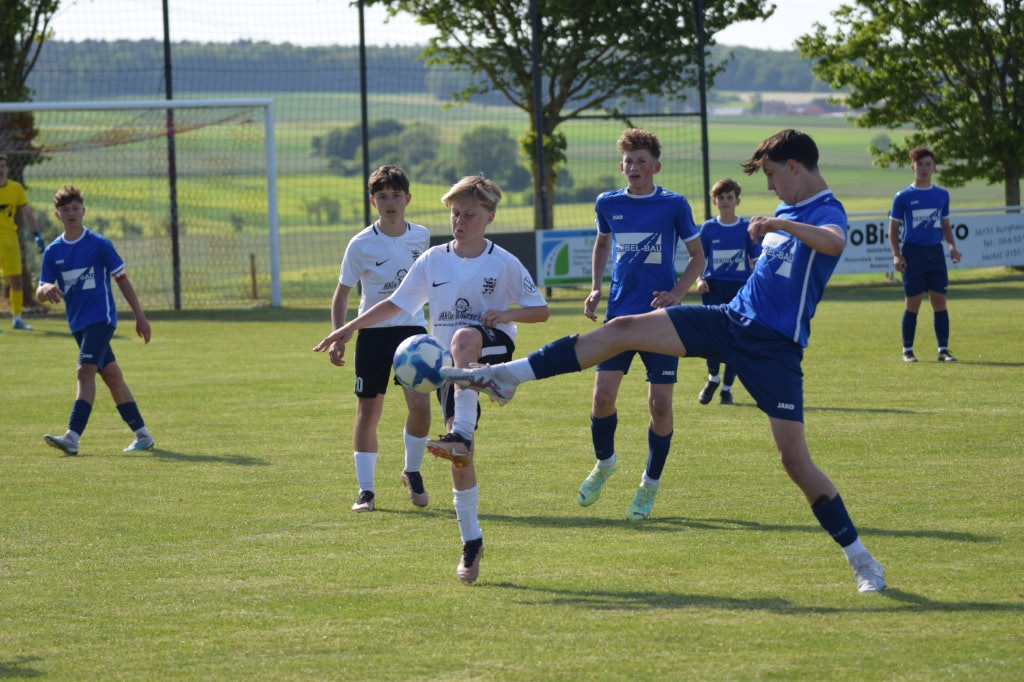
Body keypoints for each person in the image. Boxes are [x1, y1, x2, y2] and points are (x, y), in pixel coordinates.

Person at [443, 130, 887, 593]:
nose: (771, 185)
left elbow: (834, 242)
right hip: (729, 320)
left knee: (794, 460)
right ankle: (507, 377)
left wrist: (780, 225)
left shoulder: (822, 211)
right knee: (622, 328)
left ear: (794, 166)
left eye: (773, 174)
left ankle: (862, 560)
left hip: (774, 348)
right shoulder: (786, 211)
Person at [314, 175, 549, 583]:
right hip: (449, 368)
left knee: (464, 339)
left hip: (491, 349)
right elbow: (394, 304)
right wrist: (346, 329)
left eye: (469, 214)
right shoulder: (432, 259)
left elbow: (540, 310)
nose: (459, 221)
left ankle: (459, 430)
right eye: (455, 214)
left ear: (489, 217)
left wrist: (507, 314)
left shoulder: (504, 262)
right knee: (461, 458)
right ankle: (471, 540)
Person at [581, 128, 705, 521]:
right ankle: (605, 463)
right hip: (619, 315)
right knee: (602, 398)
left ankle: (649, 485)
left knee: (660, 404)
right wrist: (596, 288)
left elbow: (698, 257)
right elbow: (603, 243)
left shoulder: (674, 204)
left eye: (641, 161)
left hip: (660, 319)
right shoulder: (608, 202)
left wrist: (677, 293)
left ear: (656, 166)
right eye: (628, 161)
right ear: (622, 167)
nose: (633, 167)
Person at [327, 165, 433, 513]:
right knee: (368, 411)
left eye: (396, 196)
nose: (390, 203)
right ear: (373, 201)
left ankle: (412, 471)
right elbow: (342, 293)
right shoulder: (360, 244)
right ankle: (366, 491)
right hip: (372, 334)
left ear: (408, 198)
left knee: (420, 406)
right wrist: (339, 335)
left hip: (412, 334)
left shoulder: (422, 237)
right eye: (383, 197)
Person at [38, 185, 155, 456]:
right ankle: (143, 435)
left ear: (84, 210)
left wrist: (140, 316)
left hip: (101, 319)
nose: (71, 213)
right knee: (112, 376)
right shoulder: (53, 252)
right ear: (57, 215)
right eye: (65, 210)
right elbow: (40, 289)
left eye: (75, 208)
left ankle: (72, 437)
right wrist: (45, 290)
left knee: (84, 371)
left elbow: (122, 280)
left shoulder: (99, 244)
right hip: (77, 323)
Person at [888, 145, 962, 363]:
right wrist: (896, 255)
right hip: (913, 253)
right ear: (912, 167)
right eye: (919, 164)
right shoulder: (902, 197)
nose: (923, 168)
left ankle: (943, 350)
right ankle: (908, 350)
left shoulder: (942, 195)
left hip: (935, 253)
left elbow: (945, 226)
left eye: (928, 164)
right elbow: (893, 229)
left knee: (940, 301)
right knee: (913, 303)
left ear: (934, 167)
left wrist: (952, 246)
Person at [695, 178, 761, 406]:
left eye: (729, 197)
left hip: (739, 289)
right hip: (713, 287)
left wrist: (755, 287)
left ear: (737, 201)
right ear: (714, 201)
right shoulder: (708, 228)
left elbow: (757, 261)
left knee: (735, 338)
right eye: (720, 197)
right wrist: (699, 280)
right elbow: (698, 259)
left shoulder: (746, 228)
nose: (725, 201)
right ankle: (713, 378)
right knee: (712, 336)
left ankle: (727, 389)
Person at [0, 153, 46, 331]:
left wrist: (37, 234)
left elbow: (27, 213)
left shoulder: (16, 188)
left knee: (16, 280)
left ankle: (17, 318)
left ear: (7, 169)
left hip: (10, 240)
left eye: (3, 166)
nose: (0, 169)